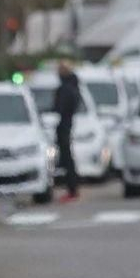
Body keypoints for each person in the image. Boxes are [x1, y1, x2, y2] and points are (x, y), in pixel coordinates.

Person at [53, 61, 83, 201]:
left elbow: (60, 108)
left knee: (67, 158)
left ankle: (72, 188)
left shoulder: (66, 89)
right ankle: (73, 188)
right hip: (67, 124)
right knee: (67, 158)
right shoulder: (74, 86)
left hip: (64, 125)